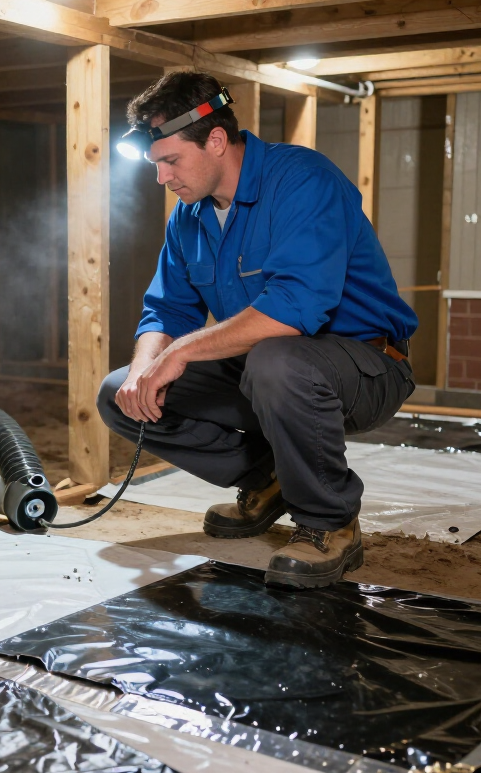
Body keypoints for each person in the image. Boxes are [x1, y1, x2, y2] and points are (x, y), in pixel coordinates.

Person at [98, 71, 417, 590]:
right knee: (118, 394)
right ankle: (268, 482)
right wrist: (143, 371)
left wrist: (181, 351)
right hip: (267, 372)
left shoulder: (302, 180)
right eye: (157, 165)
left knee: (276, 359)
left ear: (216, 140)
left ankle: (329, 523)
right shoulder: (188, 218)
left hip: (365, 369)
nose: (162, 178)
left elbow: (295, 309)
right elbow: (166, 309)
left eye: (171, 161)